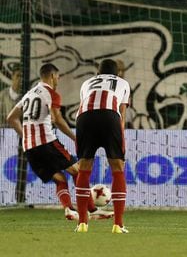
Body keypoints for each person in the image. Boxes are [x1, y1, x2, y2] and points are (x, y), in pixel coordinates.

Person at [6, 63, 112, 221]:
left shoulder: (28, 94)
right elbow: (57, 119)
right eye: (58, 76)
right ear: (52, 76)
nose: (58, 80)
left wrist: (25, 136)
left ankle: (69, 209)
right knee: (78, 171)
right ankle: (92, 209)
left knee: (60, 179)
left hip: (29, 148)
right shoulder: (51, 93)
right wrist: (75, 137)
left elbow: (11, 118)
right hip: (46, 143)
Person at [75, 59, 131, 234]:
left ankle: (82, 223)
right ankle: (118, 225)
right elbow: (121, 114)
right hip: (109, 117)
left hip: (84, 118)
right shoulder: (123, 83)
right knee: (117, 168)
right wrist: (121, 138)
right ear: (117, 73)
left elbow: (83, 105)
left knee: (84, 168)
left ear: (97, 73)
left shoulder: (86, 83)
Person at [116, 59, 135, 129]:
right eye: (118, 70)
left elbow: (128, 108)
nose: (121, 73)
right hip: (115, 123)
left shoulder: (126, 85)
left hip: (126, 123)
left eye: (123, 70)